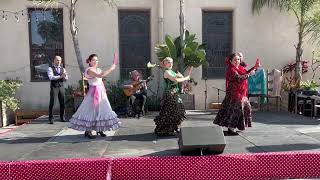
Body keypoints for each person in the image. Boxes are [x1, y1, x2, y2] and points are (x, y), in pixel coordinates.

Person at [69, 54, 121, 139]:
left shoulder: (98, 69)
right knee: (90, 111)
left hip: (101, 93)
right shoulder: (89, 70)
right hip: (93, 93)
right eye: (93, 60)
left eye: (96, 60)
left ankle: (99, 129)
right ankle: (88, 131)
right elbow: (100, 75)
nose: (95, 61)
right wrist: (111, 68)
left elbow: (101, 78)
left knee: (101, 110)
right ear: (89, 61)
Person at [214, 53, 260, 135]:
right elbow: (238, 78)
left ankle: (237, 126)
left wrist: (255, 68)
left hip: (241, 93)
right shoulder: (231, 69)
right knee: (236, 111)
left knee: (246, 107)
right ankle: (231, 129)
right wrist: (249, 75)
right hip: (234, 94)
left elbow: (246, 73)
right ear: (231, 61)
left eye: (238, 59)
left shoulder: (240, 68)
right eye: (235, 59)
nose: (237, 61)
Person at [154, 57, 190, 136]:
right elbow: (176, 80)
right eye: (169, 62)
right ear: (165, 64)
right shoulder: (167, 72)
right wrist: (185, 78)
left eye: (171, 62)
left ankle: (174, 126)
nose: (171, 64)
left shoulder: (172, 72)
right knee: (170, 112)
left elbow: (178, 78)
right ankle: (168, 129)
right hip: (170, 94)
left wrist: (181, 76)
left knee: (180, 110)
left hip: (175, 93)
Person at [47, 56, 68, 124]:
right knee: (52, 103)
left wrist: (65, 77)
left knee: (62, 103)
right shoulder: (50, 68)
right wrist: (60, 76)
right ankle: (51, 118)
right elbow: (51, 77)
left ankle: (62, 117)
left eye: (60, 60)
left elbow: (66, 78)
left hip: (61, 86)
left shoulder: (63, 69)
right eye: (57, 60)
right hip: (54, 87)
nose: (59, 62)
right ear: (54, 61)